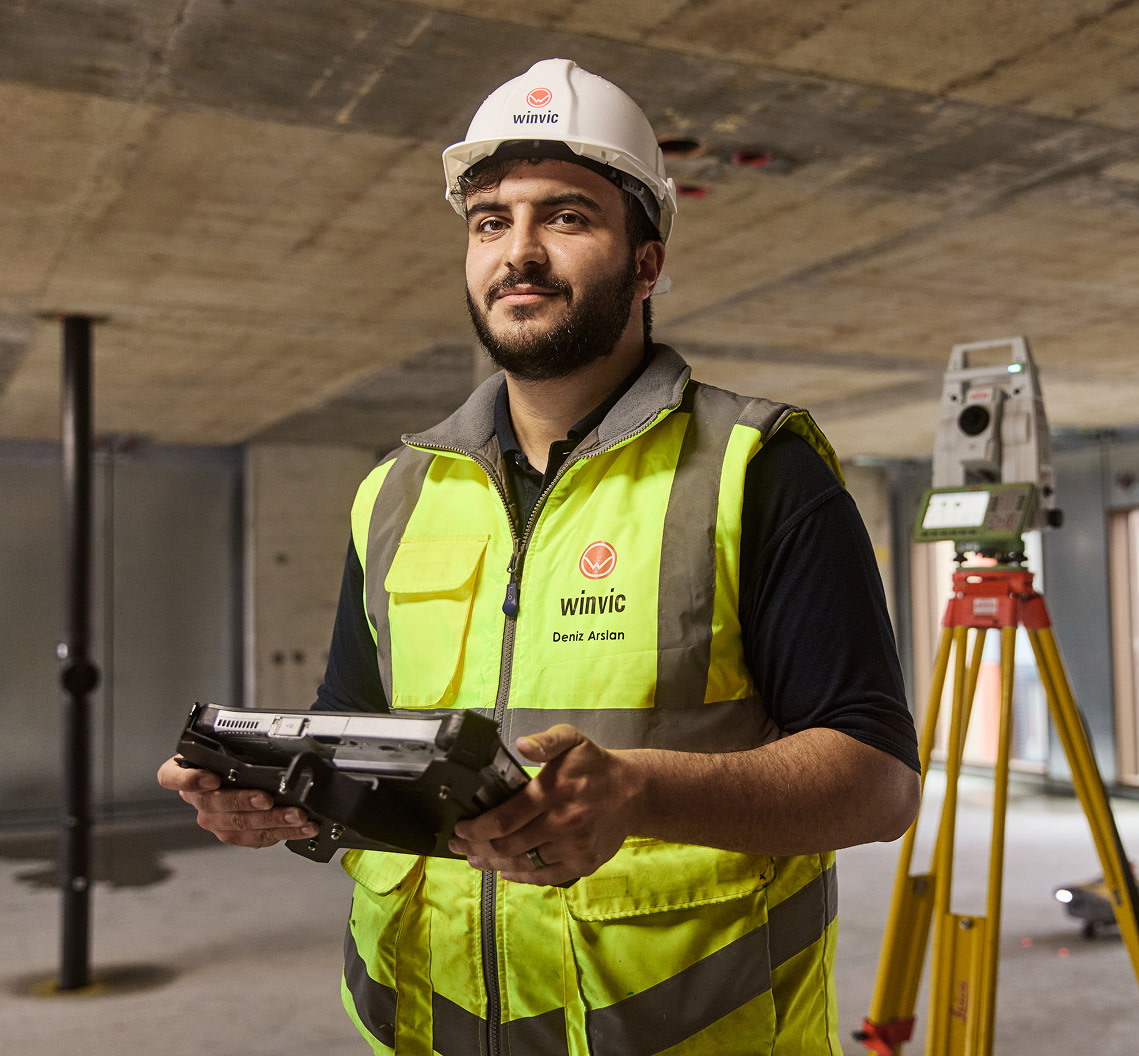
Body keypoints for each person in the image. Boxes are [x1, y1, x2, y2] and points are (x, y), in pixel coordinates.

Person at [159, 58, 921, 1056]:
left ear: (645, 264)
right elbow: (363, 776)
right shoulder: (394, 495)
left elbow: (877, 782)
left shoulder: (757, 471)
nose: (518, 252)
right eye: (489, 220)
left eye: (566, 216)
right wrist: (286, 810)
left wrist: (644, 790)